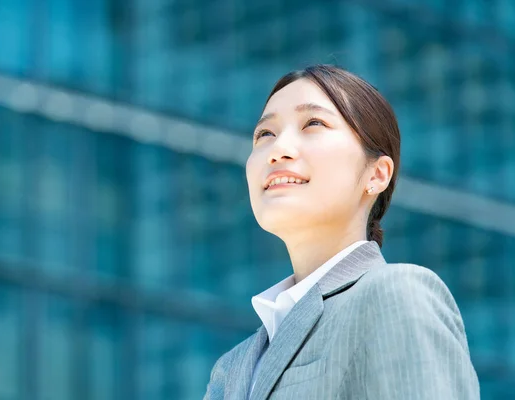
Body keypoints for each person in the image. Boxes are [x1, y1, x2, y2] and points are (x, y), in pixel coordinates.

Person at [203, 65, 480, 399]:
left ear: (377, 175)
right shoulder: (230, 369)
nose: (277, 150)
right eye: (265, 134)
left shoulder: (397, 294)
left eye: (313, 124)